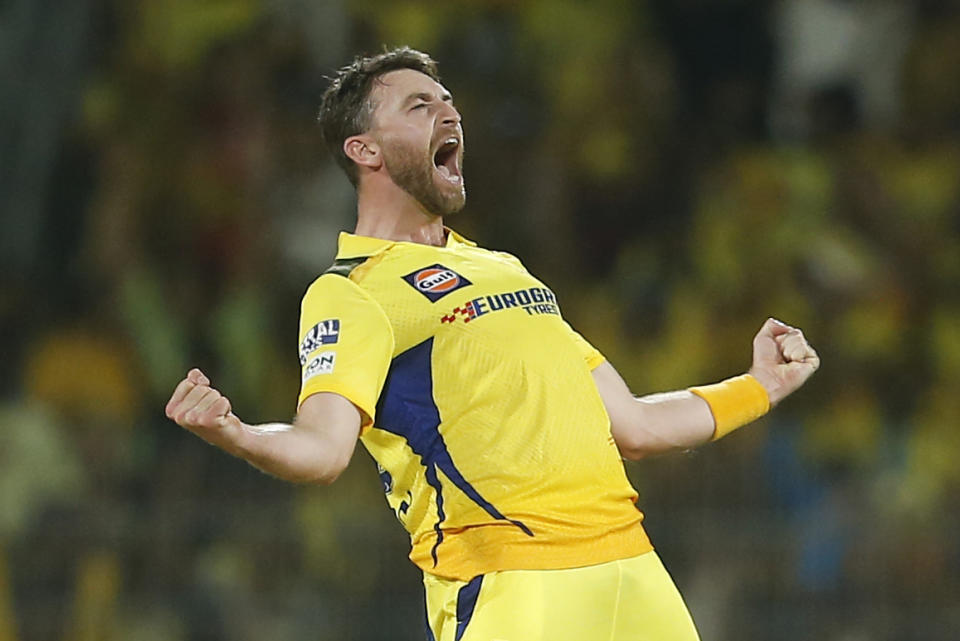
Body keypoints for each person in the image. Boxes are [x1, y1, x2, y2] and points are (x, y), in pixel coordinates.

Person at [165, 46, 820, 641]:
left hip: (632, 569)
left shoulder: (507, 270)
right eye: (420, 105)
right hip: (514, 583)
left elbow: (636, 424)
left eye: (448, 101)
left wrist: (759, 385)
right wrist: (237, 432)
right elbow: (322, 447)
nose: (449, 113)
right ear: (364, 150)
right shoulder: (352, 291)